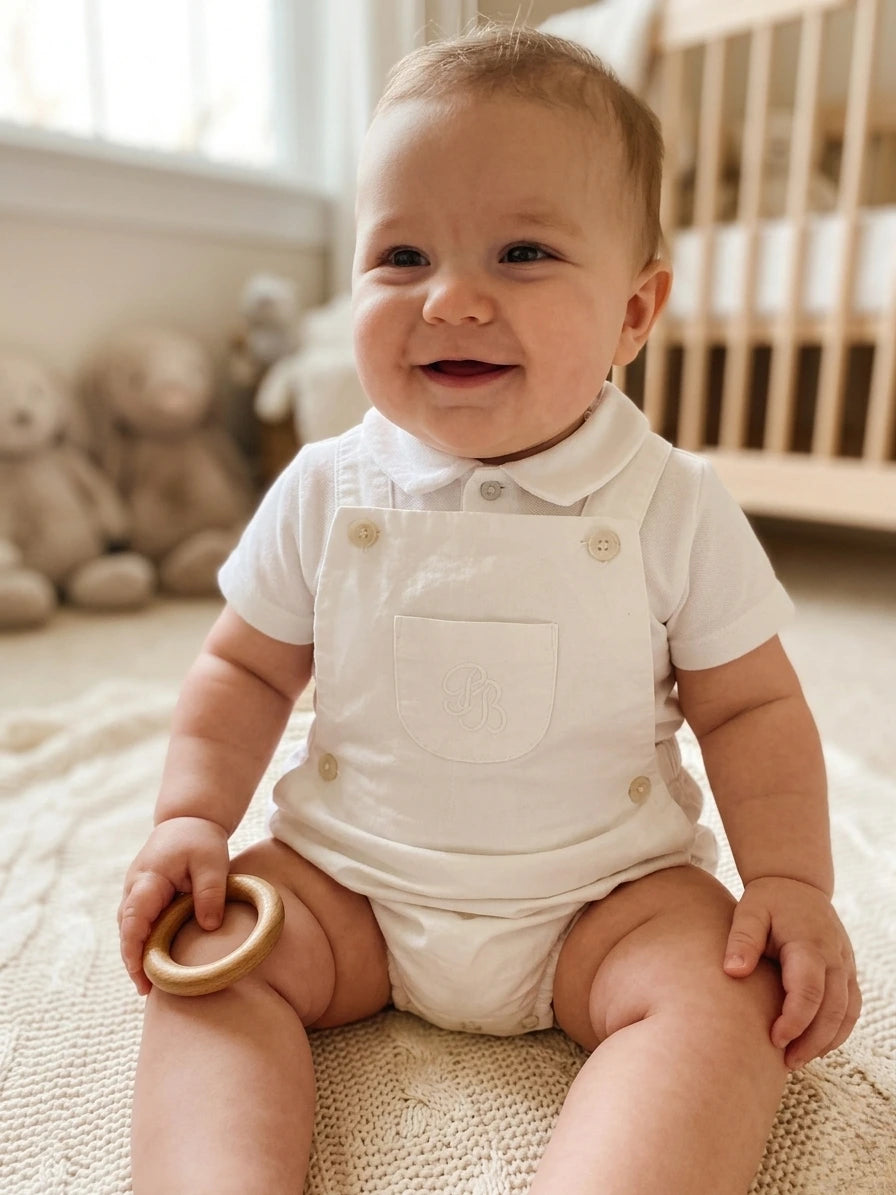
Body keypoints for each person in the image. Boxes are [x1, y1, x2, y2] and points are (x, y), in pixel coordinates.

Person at [119, 24, 860, 1195]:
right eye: (401, 255)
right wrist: (191, 817)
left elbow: (752, 705)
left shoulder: (672, 501)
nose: (451, 299)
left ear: (632, 312)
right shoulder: (325, 485)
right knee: (211, 953)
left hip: (600, 902)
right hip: (347, 883)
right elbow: (246, 671)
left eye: (520, 253)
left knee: (733, 992)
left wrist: (789, 882)